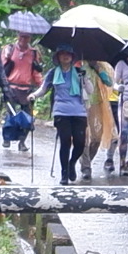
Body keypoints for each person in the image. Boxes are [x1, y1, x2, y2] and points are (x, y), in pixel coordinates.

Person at [46, 46, 90, 180]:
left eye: (68, 54)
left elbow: (90, 90)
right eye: (62, 54)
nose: (66, 56)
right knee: (65, 142)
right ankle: (64, 173)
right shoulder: (53, 73)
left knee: (80, 143)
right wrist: (33, 96)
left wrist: (84, 78)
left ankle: (72, 163)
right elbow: (43, 88)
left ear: (72, 57)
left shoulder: (79, 72)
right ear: (58, 57)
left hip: (79, 111)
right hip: (61, 111)